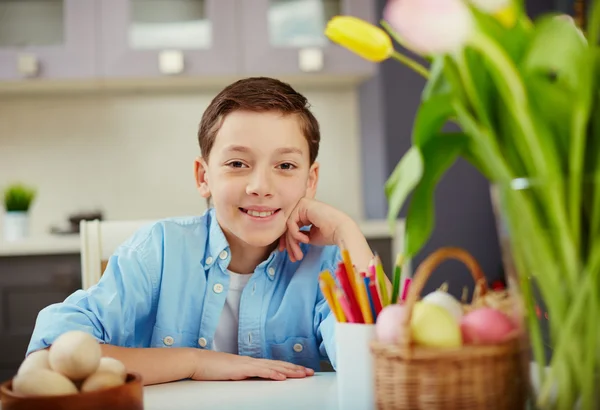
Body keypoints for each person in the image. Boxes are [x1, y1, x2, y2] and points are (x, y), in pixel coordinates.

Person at [26, 77, 375, 386]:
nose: (260, 186)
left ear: (310, 180)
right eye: (238, 163)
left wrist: (348, 233)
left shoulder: (326, 265)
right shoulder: (158, 251)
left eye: (285, 166)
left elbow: (380, 365)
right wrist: (194, 361)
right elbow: (53, 351)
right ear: (203, 176)